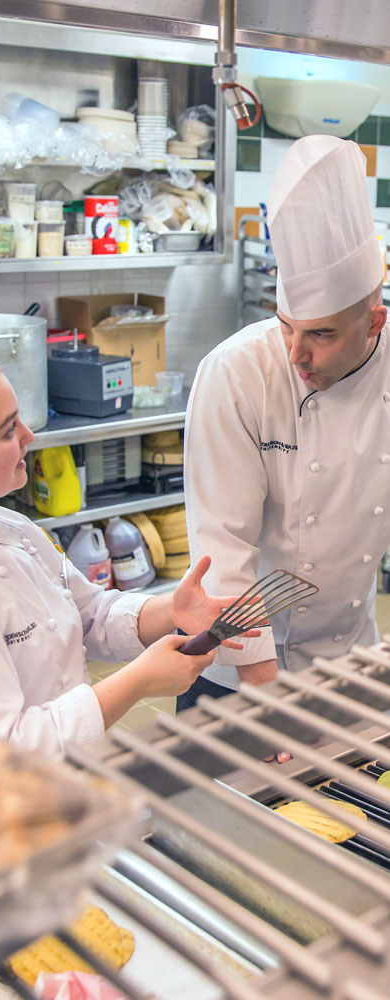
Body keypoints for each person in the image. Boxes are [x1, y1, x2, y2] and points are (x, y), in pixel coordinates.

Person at [0, 295, 258, 754]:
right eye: (8, 430)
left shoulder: (9, 525)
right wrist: (137, 682)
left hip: (63, 795)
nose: (29, 436)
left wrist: (169, 612)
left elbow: (87, 615)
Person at [180, 133, 390, 712]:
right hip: (235, 675)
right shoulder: (235, 374)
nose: (296, 354)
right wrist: (266, 698)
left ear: (375, 321)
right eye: (285, 326)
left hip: (349, 665)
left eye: (321, 334)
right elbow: (223, 548)